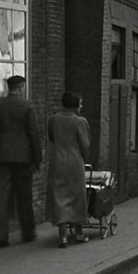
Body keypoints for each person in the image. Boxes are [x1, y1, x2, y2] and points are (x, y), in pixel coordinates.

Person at [0, 75, 42, 248]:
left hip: (1, 157)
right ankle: (28, 232)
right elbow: (33, 134)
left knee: (0, 197)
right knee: (24, 196)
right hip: (23, 158)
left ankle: (0, 237)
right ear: (21, 87)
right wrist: (37, 159)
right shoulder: (27, 106)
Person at [47, 91, 91, 248]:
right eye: (80, 104)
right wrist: (85, 158)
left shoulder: (53, 120)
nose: (81, 106)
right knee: (77, 196)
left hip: (57, 163)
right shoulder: (80, 121)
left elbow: (51, 138)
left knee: (59, 198)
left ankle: (63, 237)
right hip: (74, 162)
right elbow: (85, 145)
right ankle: (79, 234)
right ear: (75, 106)